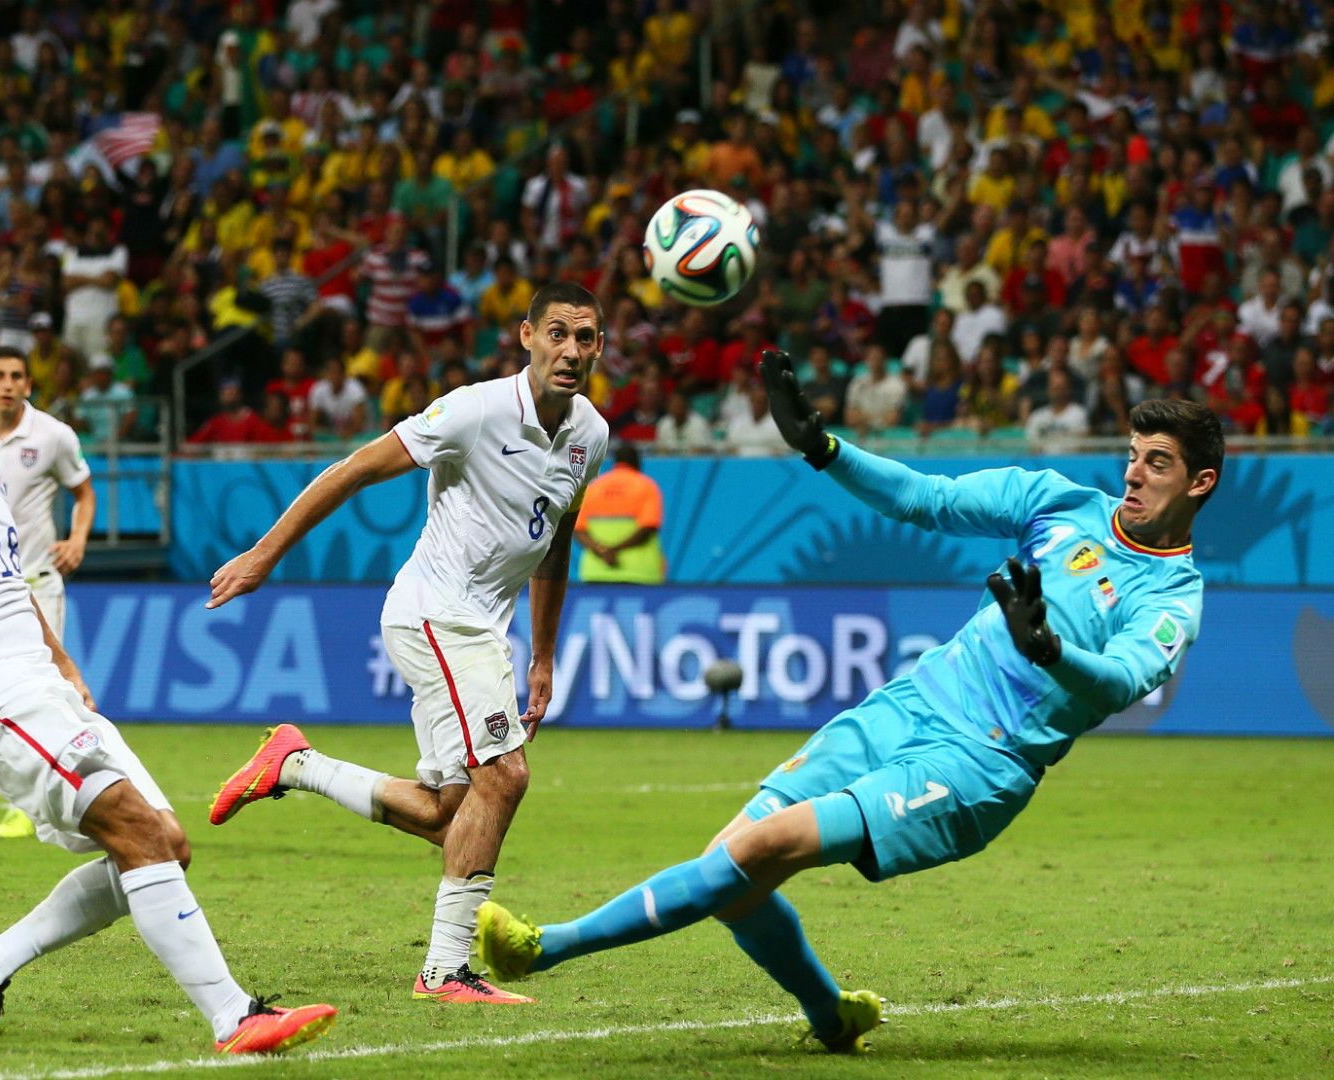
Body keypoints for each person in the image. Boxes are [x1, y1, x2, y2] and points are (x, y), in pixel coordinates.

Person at [476, 349, 1222, 1055]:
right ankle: (830, 1015)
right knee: (730, 878)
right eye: (1132, 453)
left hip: (978, 762)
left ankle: (542, 950)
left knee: (756, 853)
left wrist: (1050, 651)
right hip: (906, 704)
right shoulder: (1059, 503)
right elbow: (925, 497)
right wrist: (823, 447)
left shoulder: (1172, 595)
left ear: (1199, 483)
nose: (1134, 473)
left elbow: (1124, 680)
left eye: (1158, 463)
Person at [0, 301, 336, 1054]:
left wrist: (64, 664)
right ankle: (235, 1016)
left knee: (164, 841)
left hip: (38, 683)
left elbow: (5, 583)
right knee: (134, 831)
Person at [203, 282, 610, 1004]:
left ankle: (294, 765)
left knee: (452, 813)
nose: (570, 351)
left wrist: (544, 653)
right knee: (505, 776)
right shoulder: (475, 410)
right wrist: (266, 553)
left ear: (600, 347)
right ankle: (446, 971)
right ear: (526, 336)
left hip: (485, 628)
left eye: (585, 338)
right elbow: (353, 470)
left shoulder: (591, 435)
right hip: (436, 613)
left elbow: (557, 540)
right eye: (557, 333)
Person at [0, 345, 98, 839]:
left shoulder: (54, 436)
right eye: (0, 374)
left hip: (38, 582)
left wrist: (76, 539)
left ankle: (36, 802)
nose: (7, 383)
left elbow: (84, 490)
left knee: (43, 689)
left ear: (29, 385)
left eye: (17, 375)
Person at [574, 442, 665, 584]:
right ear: (637, 462)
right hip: (638, 572)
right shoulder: (646, 486)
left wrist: (603, 551)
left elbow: (578, 529)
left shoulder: (594, 487)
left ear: (615, 462)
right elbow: (648, 527)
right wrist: (614, 550)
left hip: (597, 571)